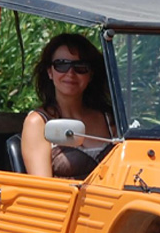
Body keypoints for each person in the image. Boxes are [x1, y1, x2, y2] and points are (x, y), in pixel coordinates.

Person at [21, 33, 115, 178]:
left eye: (80, 66)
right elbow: (42, 189)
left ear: (91, 74)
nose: (70, 73)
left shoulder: (109, 118)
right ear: (50, 72)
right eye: (61, 65)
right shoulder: (38, 123)